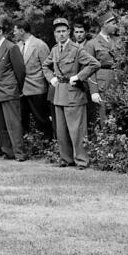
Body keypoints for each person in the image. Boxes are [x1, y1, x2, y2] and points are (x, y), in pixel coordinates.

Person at [46, 18, 101, 169]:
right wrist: (51, 79)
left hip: (74, 94)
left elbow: (95, 64)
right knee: (61, 131)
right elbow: (45, 65)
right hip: (59, 94)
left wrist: (78, 77)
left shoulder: (76, 49)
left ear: (68, 32)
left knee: (77, 131)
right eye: (58, 32)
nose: (61, 34)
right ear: (55, 34)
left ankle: (82, 161)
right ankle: (66, 159)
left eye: (64, 31)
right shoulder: (55, 50)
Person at [0, 19, 26, 160]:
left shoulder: (11, 47)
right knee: (0, 125)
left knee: (13, 124)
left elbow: (20, 71)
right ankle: (8, 152)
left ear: (0, 31)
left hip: (9, 91)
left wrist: (16, 88)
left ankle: (19, 153)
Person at [13, 19, 53, 142]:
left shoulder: (40, 45)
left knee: (41, 119)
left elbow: (47, 67)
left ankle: (47, 145)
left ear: (21, 31)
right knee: (23, 120)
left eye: (15, 31)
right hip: (21, 91)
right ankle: (29, 146)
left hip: (37, 89)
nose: (14, 33)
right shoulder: (18, 46)